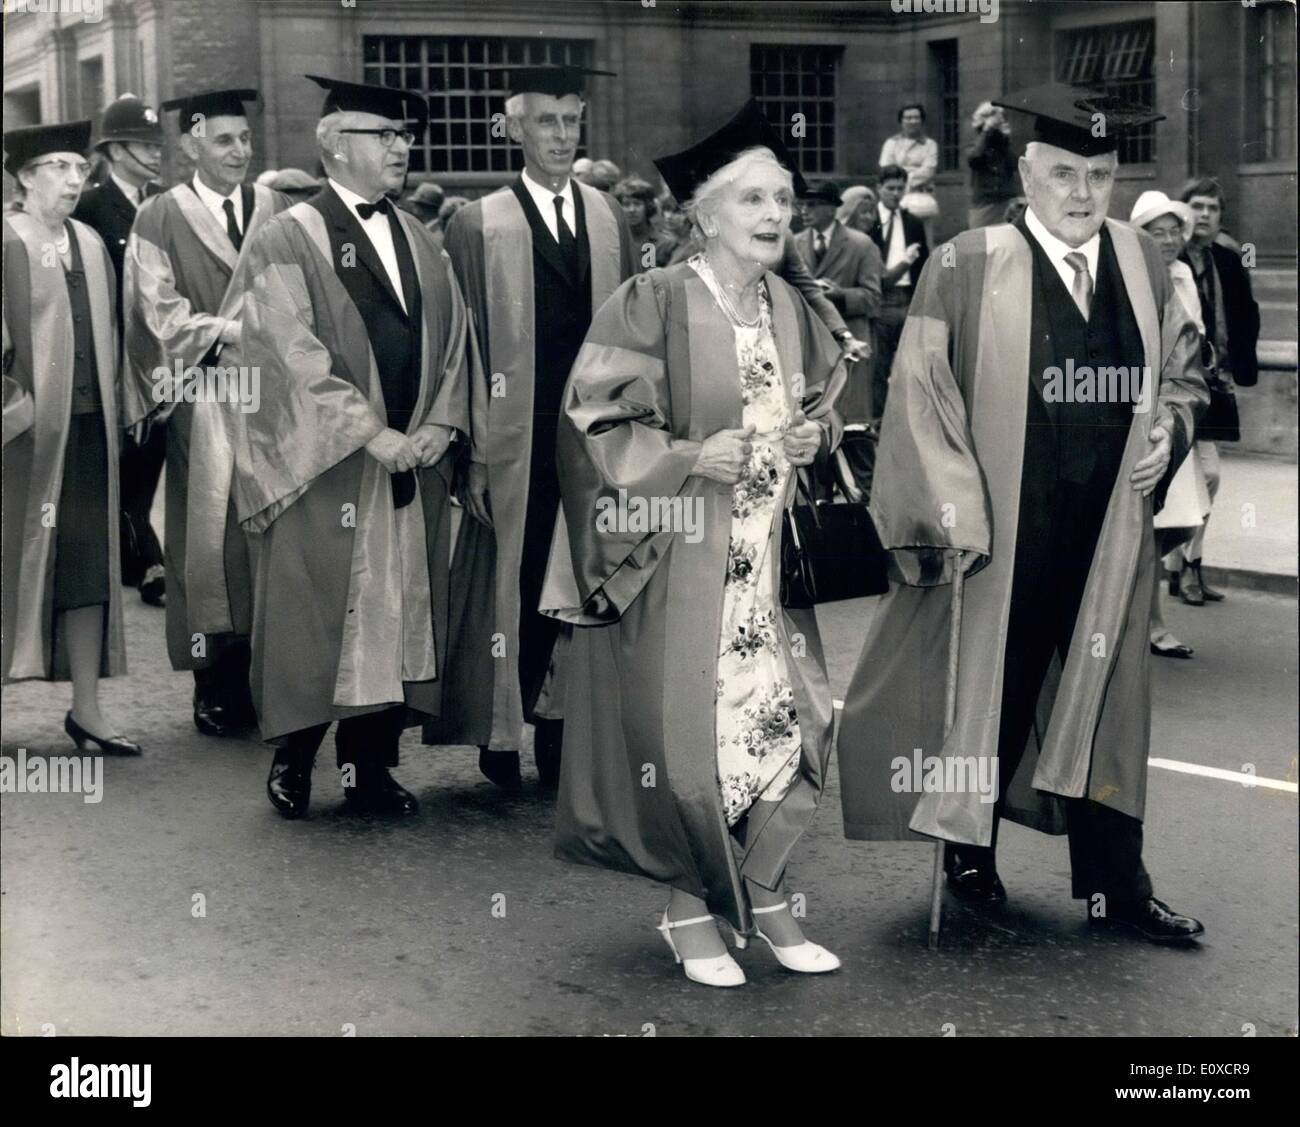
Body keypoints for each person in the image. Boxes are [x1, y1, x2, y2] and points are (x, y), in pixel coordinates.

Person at [837, 84, 1209, 945]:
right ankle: (970, 850)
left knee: (1109, 705)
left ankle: (1119, 887)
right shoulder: (967, 262)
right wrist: (952, 510)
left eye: (1102, 174)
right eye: (1066, 173)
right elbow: (921, 395)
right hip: (1002, 523)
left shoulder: (1146, 264)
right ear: (1029, 175)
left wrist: (1170, 430)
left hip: (1110, 530)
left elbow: (1191, 374)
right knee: (992, 692)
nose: (1084, 193)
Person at [540, 107, 848, 987]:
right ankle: (686, 907)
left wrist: (811, 440)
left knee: (784, 728)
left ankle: (766, 890)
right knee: (693, 739)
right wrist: (684, 456)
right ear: (704, 216)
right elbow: (593, 417)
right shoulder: (655, 299)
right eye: (753, 198)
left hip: (766, 564)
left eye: (785, 199)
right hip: (680, 560)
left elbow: (821, 404)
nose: (775, 214)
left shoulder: (793, 305)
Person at [230, 76, 471, 819]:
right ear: (334, 144)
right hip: (327, 463)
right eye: (383, 135)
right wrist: (372, 433)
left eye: (404, 136)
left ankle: (369, 763)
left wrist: (439, 424)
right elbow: (280, 353)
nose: (402, 147)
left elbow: (456, 340)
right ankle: (295, 755)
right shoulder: (284, 237)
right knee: (314, 610)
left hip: (407, 458)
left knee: (393, 611)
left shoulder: (420, 238)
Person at [423, 64, 636, 791]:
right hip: (514, 434)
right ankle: (501, 727)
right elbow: (459, 345)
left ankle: (562, 721)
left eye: (572, 120)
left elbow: (635, 332)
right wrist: (475, 450)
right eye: (546, 120)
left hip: (592, 434)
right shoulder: (478, 222)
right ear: (513, 128)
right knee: (512, 581)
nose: (561, 134)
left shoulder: (610, 216)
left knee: (584, 571)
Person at [122, 88, 291, 739]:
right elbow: (154, 311)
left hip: (270, 399)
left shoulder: (275, 208)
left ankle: (263, 673)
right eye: (224, 140)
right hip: (203, 397)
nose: (239, 152)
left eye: (245, 140)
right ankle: (212, 682)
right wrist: (229, 333)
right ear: (191, 143)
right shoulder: (159, 218)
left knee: (267, 536)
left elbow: (296, 294)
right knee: (206, 541)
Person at [2, 121, 140, 755]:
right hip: (18, 444)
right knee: (8, 569)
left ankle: (87, 709)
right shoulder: (6, 240)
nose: (71, 179)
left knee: (85, 569)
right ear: (25, 176)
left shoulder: (88, 240)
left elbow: (117, 335)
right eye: (55, 166)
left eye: (78, 168)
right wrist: (17, 413)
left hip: (87, 434)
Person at [73, 94, 168, 609]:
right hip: (112, 361)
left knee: (148, 465)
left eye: (157, 144)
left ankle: (140, 559)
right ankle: (148, 562)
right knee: (127, 465)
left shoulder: (164, 206)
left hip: (161, 363)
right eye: (142, 144)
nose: (155, 153)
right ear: (113, 149)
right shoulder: (90, 208)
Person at [1129, 190, 1212, 661]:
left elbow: (1193, 337)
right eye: (1155, 233)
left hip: (1179, 409)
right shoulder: (1134, 275)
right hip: (1145, 409)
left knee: (1169, 523)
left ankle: (1146, 618)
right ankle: (1150, 623)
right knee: (1148, 526)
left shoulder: (1183, 274)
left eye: (1172, 232)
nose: (1167, 241)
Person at [1170, 176, 1260, 606]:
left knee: (1205, 477)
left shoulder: (1227, 259)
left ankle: (1182, 566)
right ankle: (1186, 565)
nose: (1204, 215)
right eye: (1197, 207)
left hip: (1215, 386)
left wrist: (1242, 365)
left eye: (1212, 209)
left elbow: (1247, 312)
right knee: (1204, 476)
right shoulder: (1172, 256)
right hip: (1176, 386)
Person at [794, 180, 882, 423]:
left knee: (851, 418)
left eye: (812, 205)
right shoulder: (795, 242)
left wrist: (840, 295)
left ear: (832, 208)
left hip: (850, 340)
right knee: (812, 418)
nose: (804, 211)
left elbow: (873, 299)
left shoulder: (861, 244)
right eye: (801, 205)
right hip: (810, 343)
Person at [864, 163, 928, 421]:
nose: (896, 193)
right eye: (890, 188)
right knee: (878, 366)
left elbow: (923, 262)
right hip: (880, 299)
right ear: (879, 188)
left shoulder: (912, 222)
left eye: (901, 188)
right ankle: (878, 420)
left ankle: (905, 420)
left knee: (907, 365)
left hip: (906, 298)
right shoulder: (869, 221)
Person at [879, 103, 939, 241]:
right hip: (896, 195)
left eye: (916, 117)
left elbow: (929, 170)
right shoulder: (891, 143)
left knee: (923, 238)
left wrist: (903, 174)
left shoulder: (930, 144)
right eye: (908, 118)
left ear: (922, 120)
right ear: (901, 121)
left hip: (922, 195)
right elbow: (886, 169)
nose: (912, 121)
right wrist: (911, 172)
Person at [966, 100, 1019, 229]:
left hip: (1006, 202)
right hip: (984, 202)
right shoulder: (976, 141)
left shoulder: (1003, 142)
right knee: (980, 240)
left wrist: (1006, 139)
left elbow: (1014, 164)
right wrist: (987, 131)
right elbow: (974, 158)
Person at [612, 174, 675, 269]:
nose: (632, 209)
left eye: (637, 204)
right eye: (626, 204)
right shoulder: (614, 242)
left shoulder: (665, 243)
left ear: (648, 206)